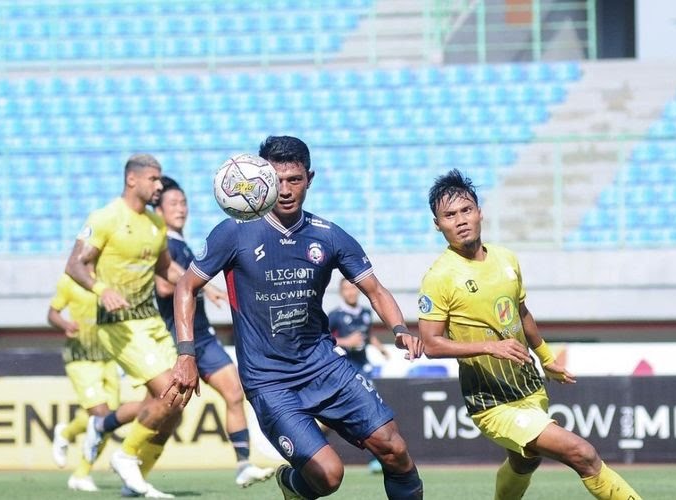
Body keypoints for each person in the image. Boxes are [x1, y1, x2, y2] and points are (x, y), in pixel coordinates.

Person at [163, 136, 425, 500]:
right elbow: (185, 287)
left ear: (309, 179)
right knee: (328, 476)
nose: (285, 190)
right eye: (277, 179)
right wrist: (186, 354)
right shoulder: (233, 232)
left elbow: (375, 291)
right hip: (270, 382)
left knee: (393, 448)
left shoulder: (329, 235)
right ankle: (292, 484)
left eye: (295, 180)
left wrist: (399, 329)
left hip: (324, 366)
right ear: (262, 179)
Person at [417, 169, 642, 500]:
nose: (460, 220)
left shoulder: (507, 259)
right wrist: (490, 347)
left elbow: (521, 314)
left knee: (525, 462)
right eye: (449, 215)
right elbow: (432, 345)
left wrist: (547, 359)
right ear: (438, 224)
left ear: (480, 212)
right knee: (583, 453)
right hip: (491, 402)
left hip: (529, 387)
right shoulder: (439, 277)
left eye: (466, 210)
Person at [65, 153, 189, 498]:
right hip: (118, 324)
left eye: (160, 179)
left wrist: (202, 284)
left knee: (177, 401)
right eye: (153, 179)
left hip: (150, 321)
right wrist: (102, 290)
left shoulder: (155, 223)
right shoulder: (105, 218)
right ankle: (125, 455)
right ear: (132, 180)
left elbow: (167, 269)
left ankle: (135, 480)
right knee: (168, 392)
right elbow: (74, 265)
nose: (159, 185)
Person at [152, 175, 275, 487]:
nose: (181, 209)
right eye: (173, 203)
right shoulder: (163, 245)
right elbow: (164, 286)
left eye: (184, 203)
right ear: (159, 210)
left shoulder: (182, 244)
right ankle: (108, 428)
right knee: (164, 411)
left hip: (203, 338)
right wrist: (202, 286)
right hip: (177, 339)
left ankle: (243, 464)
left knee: (234, 391)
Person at [47, 272, 141, 492]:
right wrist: (64, 324)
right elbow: (52, 314)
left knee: (108, 422)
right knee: (101, 415)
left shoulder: (110, 275)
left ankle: (78, 465)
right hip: (81, 359)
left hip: (108, 357)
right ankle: (71, 448)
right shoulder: (69, 280)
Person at [328, 278, 390, 474]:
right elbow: (324, 340)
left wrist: (381, 348)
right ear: (341, 292)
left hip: (363, 368)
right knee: (332, 417)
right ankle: (314, 450)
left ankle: (376, 459)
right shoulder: (335, 316)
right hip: (344, 369)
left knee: (372, 412)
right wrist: (346, 342)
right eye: (346, 289)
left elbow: (368, 334)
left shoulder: (365, 312)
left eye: (353, 289)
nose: (351, 293)